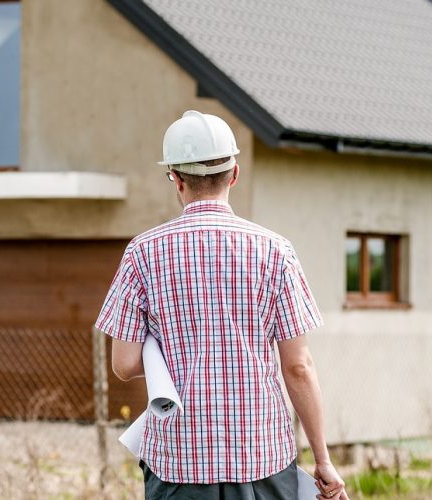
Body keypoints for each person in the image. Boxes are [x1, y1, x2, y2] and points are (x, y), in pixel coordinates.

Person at [95, 110, 348, 500]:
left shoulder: (142, 253)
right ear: (234, 174)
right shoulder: (275, 251)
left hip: (179, 463)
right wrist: (323, 459)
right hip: (262, 458)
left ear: (176, 179)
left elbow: (124, 365)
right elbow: (298, 367)